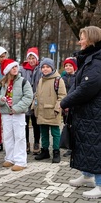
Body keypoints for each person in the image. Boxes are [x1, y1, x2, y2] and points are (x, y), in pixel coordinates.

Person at [60, 26, 101, 199]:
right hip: (86, 114)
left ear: (91, 39)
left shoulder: (97, 61)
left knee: (96, 147)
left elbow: (87, 87)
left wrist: (65, 101)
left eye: (82, 37)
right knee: (86, 145)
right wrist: (69, 100)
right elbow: (78, 85)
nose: (79, 41)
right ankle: (87, 175)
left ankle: (100, 185)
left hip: (95, 114)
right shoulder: (89, 59)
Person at [0, 59, 33, 171]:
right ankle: (10, 158)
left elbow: (28, 97)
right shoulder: (2, 83)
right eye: (12, 67)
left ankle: (21, 161)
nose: (15, 69)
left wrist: (17, 108)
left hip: (18, 113)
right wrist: (0, 99)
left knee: (19, 137)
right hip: (6, 113)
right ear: (7, 70)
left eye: (16, 67)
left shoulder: (23, 81)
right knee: (8, 136)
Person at [32, 58, 66, 163]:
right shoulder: (41, 79)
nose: (45, 69)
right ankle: (45, 151)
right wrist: (34, 106)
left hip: (53, 112)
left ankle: (56, 152)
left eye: (47, 67)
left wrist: (57, 108)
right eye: (43, 67)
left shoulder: (58, 80)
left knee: (55, 133)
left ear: (52, 68)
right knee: (44, 132)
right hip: (42, 111)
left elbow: (62, 96)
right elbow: (37, 95)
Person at [19, 47, 41, 155]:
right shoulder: (22, 69)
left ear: (37, 59)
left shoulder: (40, 68)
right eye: (29, 58)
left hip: (37, 99)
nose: (31, 60)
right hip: (25, 99)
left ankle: (37, 142)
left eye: (33, 58)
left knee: (36, 122)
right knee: (25, 123)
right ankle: (26, 142)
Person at [61, 57, 77, 157]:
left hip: (73, 106)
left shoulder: (77, 78)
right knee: (67, 126)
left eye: (70, 65)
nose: (68, 67)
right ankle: (70, 147)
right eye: (66, 66)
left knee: (74, 126)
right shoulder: (62, 78)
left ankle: (75, 147)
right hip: (65, 106)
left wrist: (70, 104)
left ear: (74, 67)